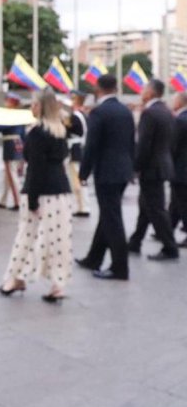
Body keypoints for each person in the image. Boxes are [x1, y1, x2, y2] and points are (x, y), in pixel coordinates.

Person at [0, 87, 75, 303]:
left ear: (40, 107)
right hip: (61, 191)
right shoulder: (59, 129)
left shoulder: (37, 133)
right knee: (58, 239)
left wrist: (32, 199)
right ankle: (58, 284)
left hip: (39, 190)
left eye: (33, 103)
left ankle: (15, 278)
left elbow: (37, 168)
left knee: (26, 236)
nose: (30, 107)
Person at [76, 74, 135, 281]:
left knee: (112, 220)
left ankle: (120, 267)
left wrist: (83, 173)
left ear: (98, 88)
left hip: (107, 172)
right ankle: (94, 257)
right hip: (122, 171)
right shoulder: (125, 111)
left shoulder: (99, 112)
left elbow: (91, 146)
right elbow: (131, 143)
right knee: (108, 216)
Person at [128, 77, 178, 261]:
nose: (141, 92)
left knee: (156, 209)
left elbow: (144, 145)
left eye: (143, 89)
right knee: (145, 206)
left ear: (151, 92)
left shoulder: (150, 113)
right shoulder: (166, 111)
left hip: (151, 168)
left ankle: (169, 247)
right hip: (161, 165)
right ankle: (135, 241)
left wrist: (136, 167)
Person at [0, 91, 26, 210]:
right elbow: (23, 134)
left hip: (10, 145)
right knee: (8, 174)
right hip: (18, 144)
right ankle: (3, 200)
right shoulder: (20, 115)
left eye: (7, 100)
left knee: (11, 174)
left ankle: (18, 201)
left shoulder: (9, 115)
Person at [67, 91, 90, 217]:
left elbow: (68, 130)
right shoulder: (84, 115)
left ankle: (82, 207)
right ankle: (82, 206)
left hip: (75, 149)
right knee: (80, 179)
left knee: (77, 179)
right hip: (81, 147)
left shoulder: (75, 116)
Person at [170, 89, 187, 243]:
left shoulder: (180, 120)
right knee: (176, 202)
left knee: (182, 203)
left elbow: (173, 145)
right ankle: (167, 229)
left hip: (181, 168)